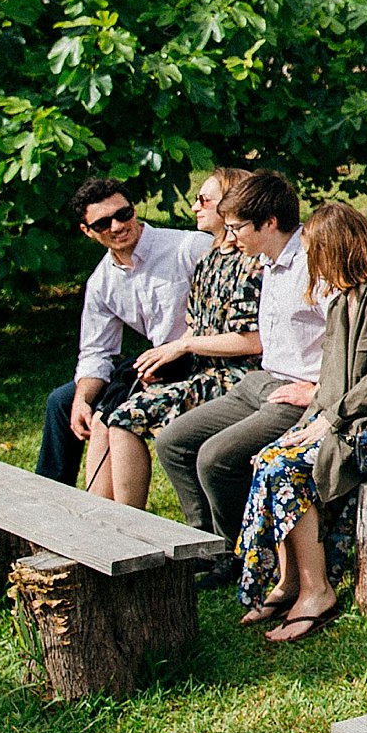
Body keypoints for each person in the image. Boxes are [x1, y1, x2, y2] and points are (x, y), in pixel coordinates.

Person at [233, 201, 367, 642]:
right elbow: (328, 382)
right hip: (350, 420)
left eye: (314, 251)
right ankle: (289, 580)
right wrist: (311, 422)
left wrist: (332, 420)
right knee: (269, 457)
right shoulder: (345, 299)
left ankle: (317, 591)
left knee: (286, 469)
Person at [157, 171, 327, 550]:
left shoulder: (313, 263)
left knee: (215, 459)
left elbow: (348, 334)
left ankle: (242, 552)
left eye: (238, 228)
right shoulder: (265, 259)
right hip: (261, 381)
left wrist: (320, 389)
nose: (230, 238)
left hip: (297, 393)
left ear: (269, 222)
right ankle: (206, 545)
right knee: (173, 443)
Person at [94, 169, 266, 507]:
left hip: (238, 379)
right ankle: (119, 528)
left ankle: (181, 530)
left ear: (231, 206)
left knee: (133, 420)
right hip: (199, 370)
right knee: (117, 415)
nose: (194, 207)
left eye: (204, 200)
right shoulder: (211, 259)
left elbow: (251, 341)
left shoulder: (253, 262)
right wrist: (167, 357)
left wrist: (182, 346)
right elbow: (198, 324)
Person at [39, 176, 210, 493]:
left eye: (124, 214)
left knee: (115, 406)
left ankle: (113, 516)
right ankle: (47, 504)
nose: (117, 226)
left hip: (199, 357)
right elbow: (96, 352)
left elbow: (226, 309)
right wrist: (82, 401)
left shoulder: (187, 248)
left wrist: (177, 350)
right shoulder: (102, 281)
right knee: (63, 402)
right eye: (103, 223)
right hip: (158, 364)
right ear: (87, 232)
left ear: (134, 210)